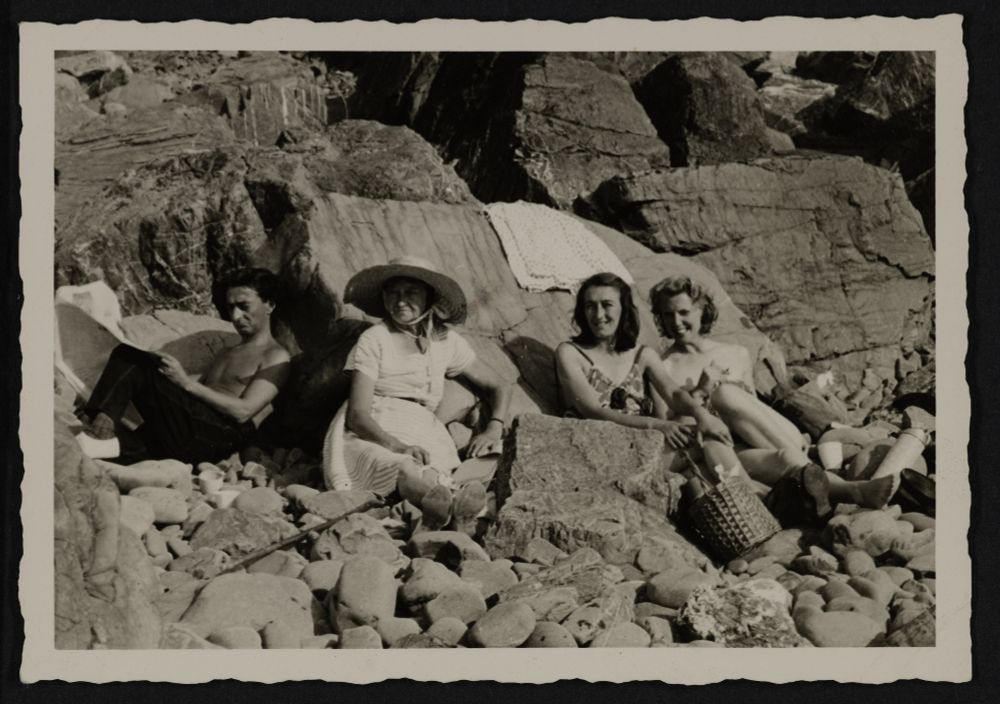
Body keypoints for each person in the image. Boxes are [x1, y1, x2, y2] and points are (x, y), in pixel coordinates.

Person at [650, 275, 899, 511]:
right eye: (667, 314)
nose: (676, 322)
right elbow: (671, 430)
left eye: (683, 312)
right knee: (787, 459)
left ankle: (822, 479)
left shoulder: (736, 353)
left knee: (726, 394)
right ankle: (851, 491)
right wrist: (701, 391)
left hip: (764, 436)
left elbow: (756, 412)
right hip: (727, 451)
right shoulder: (663, 368)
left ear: (702, 310)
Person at [326, 255, 513, 531]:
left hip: (425, 429)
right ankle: (464, 510)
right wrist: (398, 446)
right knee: (405, 468)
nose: (400, 301)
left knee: (474, 461)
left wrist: (493, 428)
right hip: (378, 428)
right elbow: (357, 415)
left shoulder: (445, 340)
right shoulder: (374, 338)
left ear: (429, 297)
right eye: (393, 292)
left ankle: (449, 507)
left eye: (410, 292)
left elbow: (500, 385)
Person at [76, 268, 291, 465]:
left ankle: (98, 423)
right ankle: (98, 428)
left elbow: (244, 412)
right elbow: (195, 388)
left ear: (269, 305)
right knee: (91, 442)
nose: (235, 316)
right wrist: (166, 372)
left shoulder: (276, 356)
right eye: (230, 308)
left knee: (129, 357)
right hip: (189, 432)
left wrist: (185, 382)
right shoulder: (227, 352)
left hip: (215, 435)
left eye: (244, 307)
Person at [554, 273, 740, 485]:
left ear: (623, 309)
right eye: (590, 306)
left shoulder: (642, 355)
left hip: (643, 449)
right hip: (599, 457)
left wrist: (701, 414)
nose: (598, 315)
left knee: (707, 441)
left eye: (607, 305)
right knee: (705, 443)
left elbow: (674, 394)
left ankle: (753, 497)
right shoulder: (570, 353)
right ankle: (753, 499)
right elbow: (593, 412)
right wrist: (658, 426)